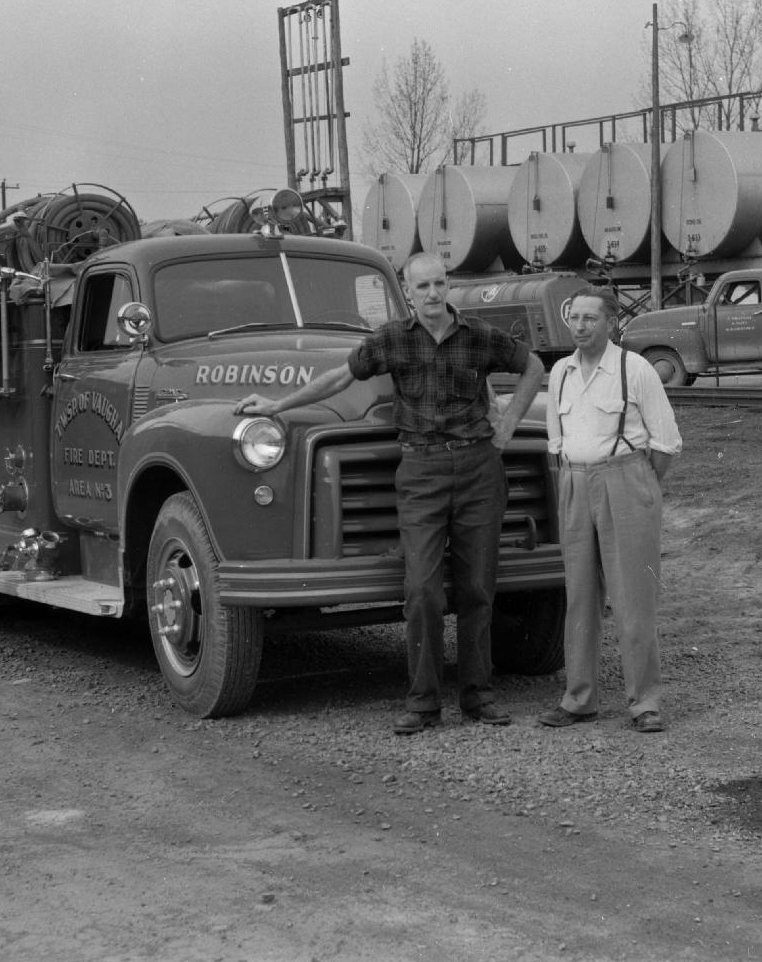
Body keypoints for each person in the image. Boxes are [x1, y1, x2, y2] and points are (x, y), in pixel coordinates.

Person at [234, 252, 545, 734]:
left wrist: (507, 425)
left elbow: (533, 366)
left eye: (440, 283)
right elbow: (340, 376)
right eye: (422, 287)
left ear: (449, 285)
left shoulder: (479, 335)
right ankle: (423, 702)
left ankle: (478, 696)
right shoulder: (393, 340)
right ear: (407, 290)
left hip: (480, 469)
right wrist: (278, 405)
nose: (433, 294)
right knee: (421, 590)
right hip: (421, 470)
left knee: (479, 588)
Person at [537, 286, 681, 734]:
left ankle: (645, 703)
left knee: (633, 598)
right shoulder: (559, 372)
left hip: (626, 479)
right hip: (575, 481)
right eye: (574, 318)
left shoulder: (634, 369)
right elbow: (555, 438)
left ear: (611, 322)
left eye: (590, 319)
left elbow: (666, 442)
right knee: (578, 596)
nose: (580, 326)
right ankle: (578, 699)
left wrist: (639, 487)